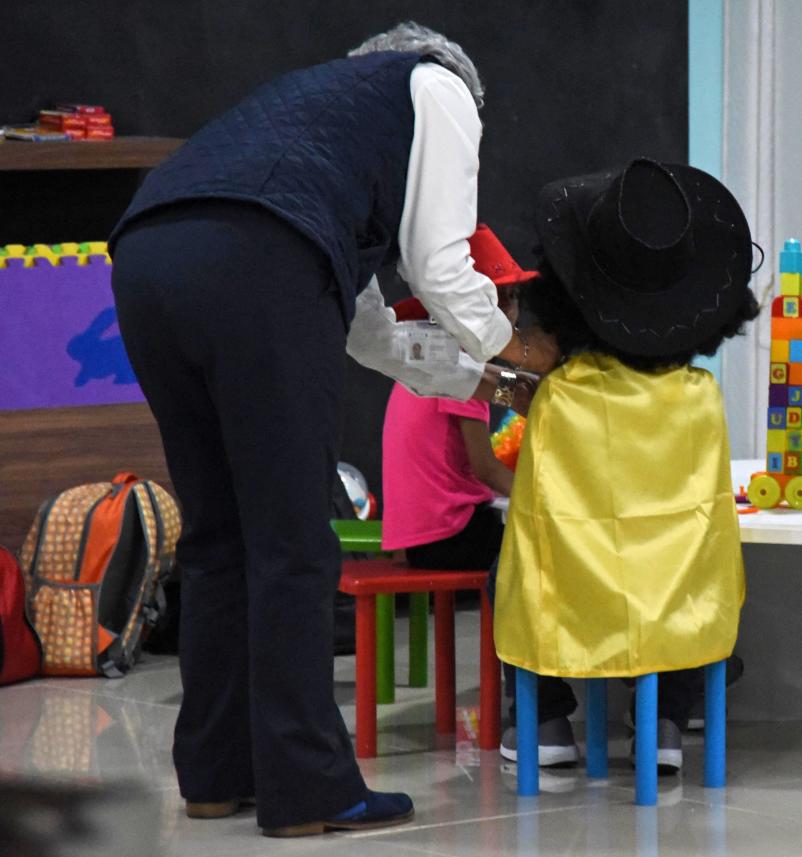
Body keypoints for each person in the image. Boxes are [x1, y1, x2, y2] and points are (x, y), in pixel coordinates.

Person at [108, 23, 558, 837]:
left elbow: (368, 331)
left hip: (145, 256)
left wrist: (485, 380)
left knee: (220, 540)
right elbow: (442, 266)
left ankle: (214, 774)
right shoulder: (439, 85)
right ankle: (308, 788)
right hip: (259, 259)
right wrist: (524, 351)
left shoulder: (315, 119)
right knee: (292, 542)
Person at [493, 158, 758, 774]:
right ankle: (664, 719)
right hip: (670, 599)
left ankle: (548, 722)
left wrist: (502, 384)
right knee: (687, 583)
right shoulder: (700, 395)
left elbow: (535, 505)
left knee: (510, 575)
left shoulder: (560, 390)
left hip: (579, 597)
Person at [381, 225, 533, 570]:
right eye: (499, 296)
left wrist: (528, 385)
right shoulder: (461, 361)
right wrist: (546, 500)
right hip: (450, 534)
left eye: (514, 296)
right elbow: (486, 470)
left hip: (419, 537)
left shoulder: (433, 351)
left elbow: (506, 385)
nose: (509, 308)